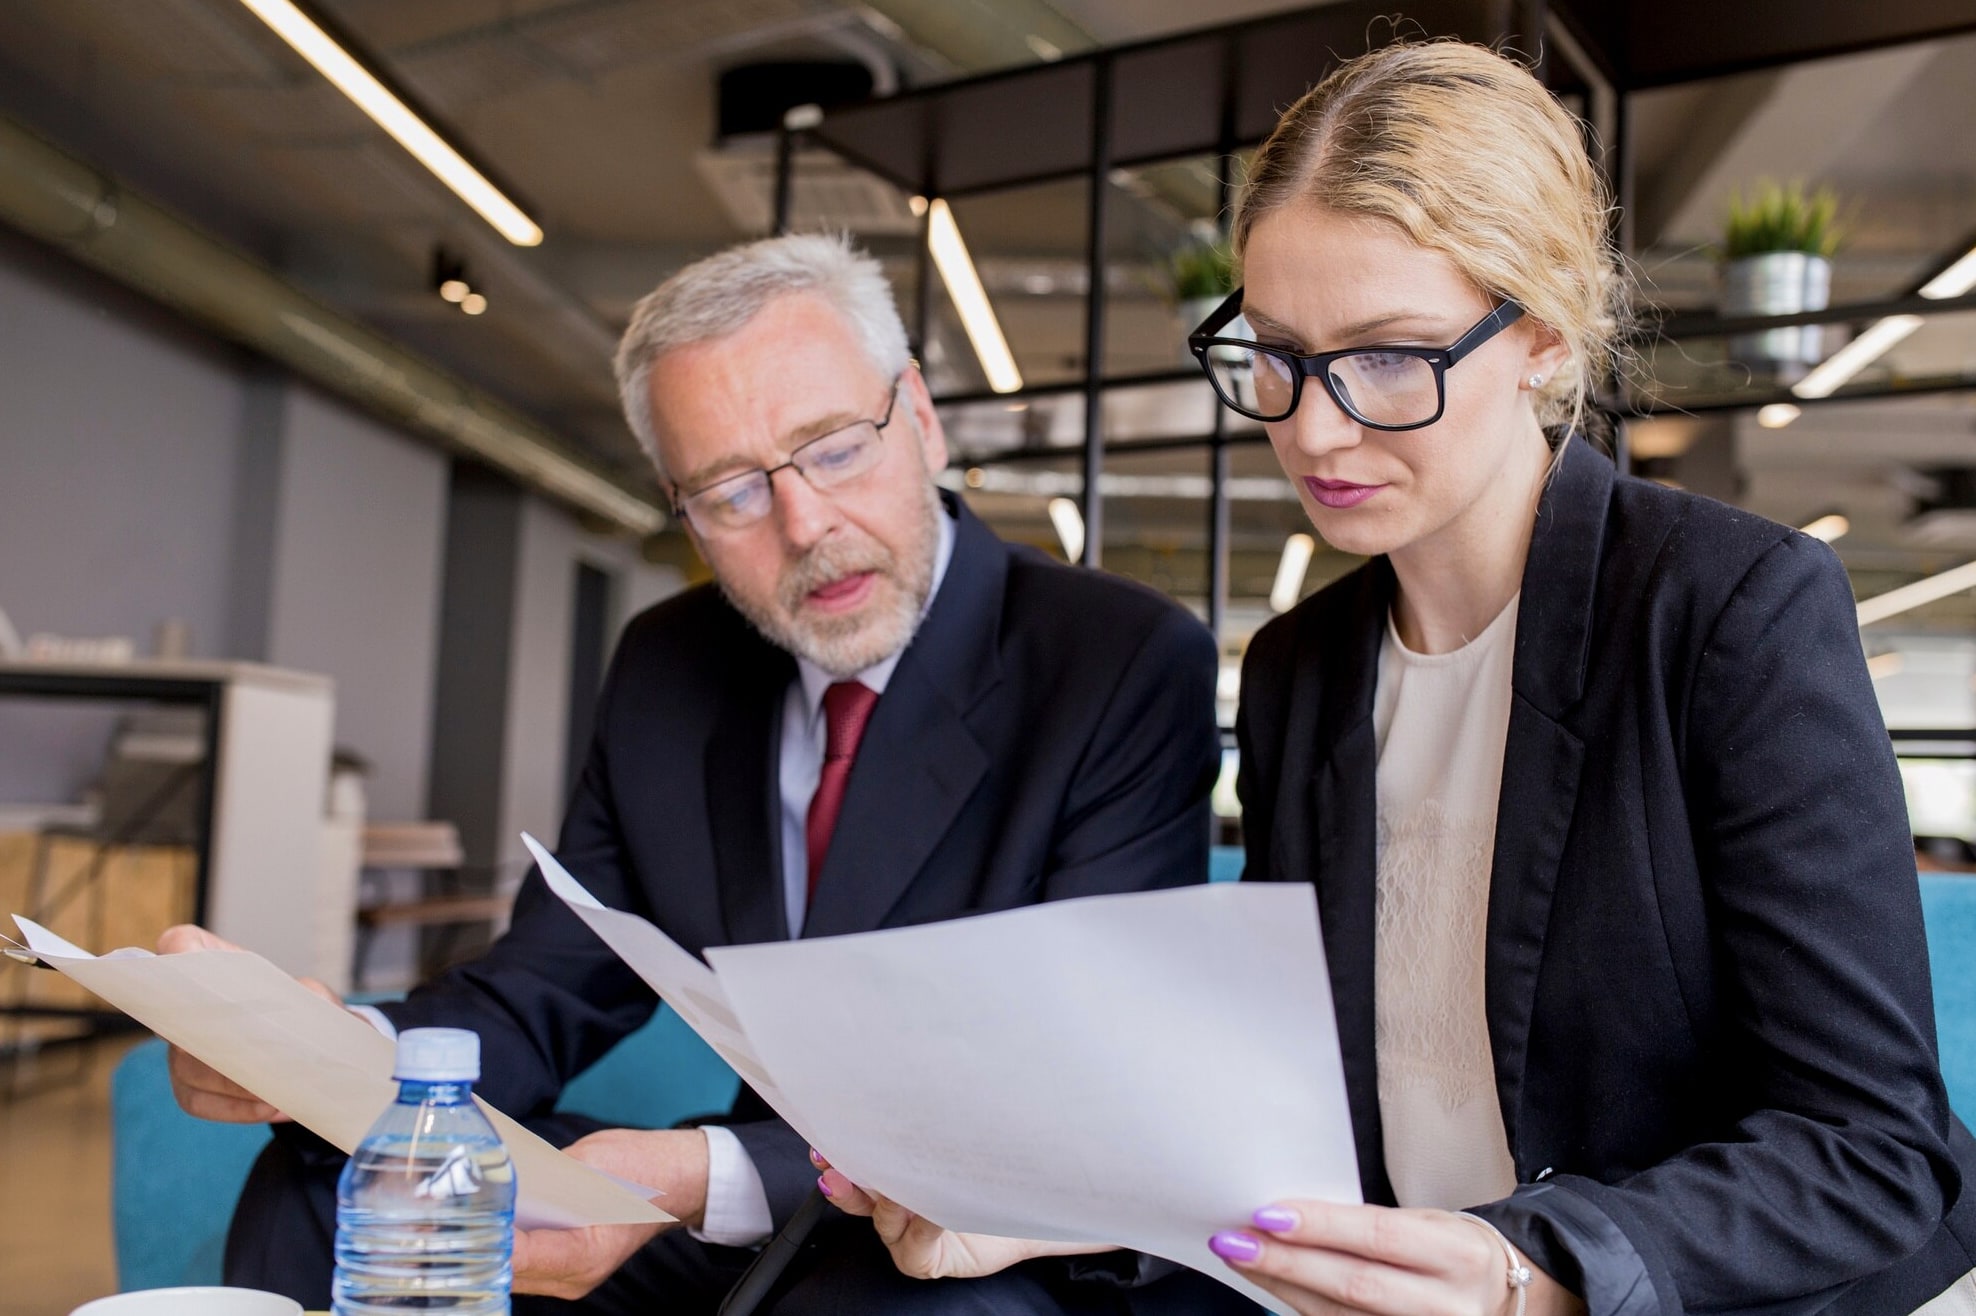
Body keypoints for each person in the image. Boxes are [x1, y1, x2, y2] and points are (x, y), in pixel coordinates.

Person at [813, 39, 1976, 1315]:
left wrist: (1527, 1266)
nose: (1310, 427)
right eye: (1273, 350)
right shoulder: (1302, 670)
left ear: (1536, 330)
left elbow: (1870, 1147)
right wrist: (1034, 1206)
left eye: (1385, 358)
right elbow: (1284, 1113)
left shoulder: (1725, 611)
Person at [160, 232, 1245, 1315]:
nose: (805, 525)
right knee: (334, 1179)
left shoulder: (1115, 660)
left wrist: (697, 1177)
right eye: (730, 491)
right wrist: (337, 1057)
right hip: (748, 1214)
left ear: (917, 413)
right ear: (680, 510)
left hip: (972, 1228)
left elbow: (1071, 1088)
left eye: (832, 448)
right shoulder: (667, 666)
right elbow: (542, 988)